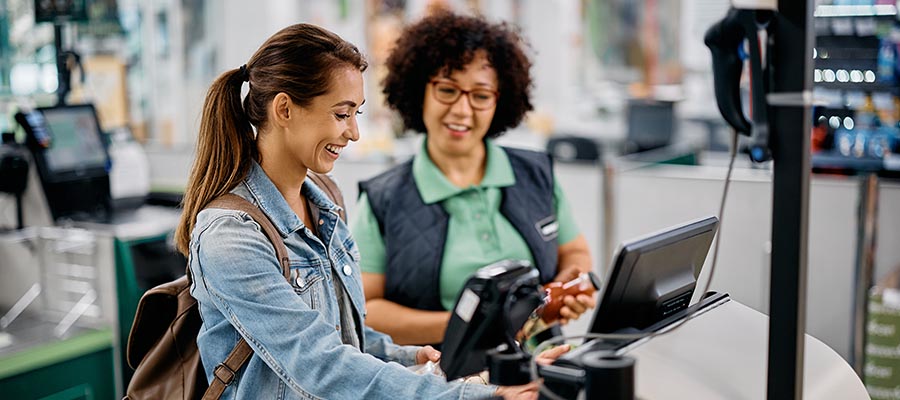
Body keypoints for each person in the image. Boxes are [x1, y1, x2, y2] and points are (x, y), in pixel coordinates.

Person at [174, 23, 552, 399]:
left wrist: (404, 356)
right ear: (284, 109)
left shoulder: (324, 200)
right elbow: (318, 363)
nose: (353, 132)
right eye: (342, 114)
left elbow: (340, 335)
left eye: (357, 113)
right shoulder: (231, 236)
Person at [353, 11, 596, 346]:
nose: (463, 111)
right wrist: (471, 324)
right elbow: (366, 310)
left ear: (501, 100)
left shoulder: (536, 174)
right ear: (418, 90)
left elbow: (575, 253)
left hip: (543, 370)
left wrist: (570, 286)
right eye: (447, 90)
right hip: (445, 385)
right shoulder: (383, 200)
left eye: (480, 95)